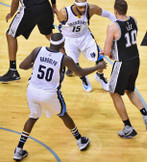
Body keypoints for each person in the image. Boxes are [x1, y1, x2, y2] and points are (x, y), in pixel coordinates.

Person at [13, 33, 107, 161]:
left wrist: (35, 64)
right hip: (49, 93)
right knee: (63, 114)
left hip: (32, 90)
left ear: (50, 43)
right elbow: (80, 72)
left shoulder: (38, 50)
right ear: (63, 45)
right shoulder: (64, 59)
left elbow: (22, 66)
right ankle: (80, 141)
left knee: (33, 117)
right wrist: (98, 66)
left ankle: (18, 150)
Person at [101, 0, 147, 138]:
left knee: (113, 93)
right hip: (135, 60)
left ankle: (127, 127)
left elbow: (107, 51)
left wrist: (106, 52)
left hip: (122, 64)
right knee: (129, 89)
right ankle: (145, 115)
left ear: (115, 11)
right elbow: (125, 43)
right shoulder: (134, 20)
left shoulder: (113, 26)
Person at [56, 0, 116, 92]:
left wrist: (119, 24)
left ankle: (100, 76)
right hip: (69, 40)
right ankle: (83, 78)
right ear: (75, 4)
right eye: (81, 7)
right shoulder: (64, 13)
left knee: (100, 60)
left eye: (84, 6)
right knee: (74, 67)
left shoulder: (91, 9)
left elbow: (108, 14)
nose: (83, 9)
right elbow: (60, 27)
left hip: (85, 37)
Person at [0, 0, 57, 82]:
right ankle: (68, 60)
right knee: (49, 34)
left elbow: (15, 2)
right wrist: (54, 6)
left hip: (30, 9)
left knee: (10, 34)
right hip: (45, 6)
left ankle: (12, 71)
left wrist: (11, 14)